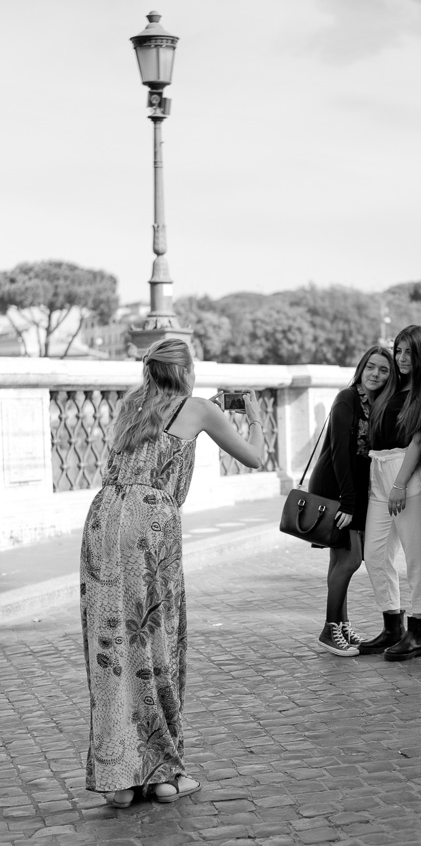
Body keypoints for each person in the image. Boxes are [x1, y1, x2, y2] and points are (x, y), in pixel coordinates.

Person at [80, 338, 264, 807]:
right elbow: (255, 458)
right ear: (186, 371)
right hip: (150, 520)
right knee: (156, 638)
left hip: (103, 515)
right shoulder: (199, 408)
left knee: (112, 644)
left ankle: (119, 777)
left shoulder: (129, 406)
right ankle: (163, 774)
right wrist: (254, 418)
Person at [359, 325, 421, 661]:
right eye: (399, 351)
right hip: (379, 473)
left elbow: (419, 441)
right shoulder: (392, 386)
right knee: (375, 554)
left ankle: (419, 633)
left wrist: (399, 484)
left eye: (409, 352)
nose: (402, 359)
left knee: (417, 556)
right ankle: (393, 625)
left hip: (407, 475)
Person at [309, 346, 394, 656]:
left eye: (383, 370)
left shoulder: (375, 403)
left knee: (338, 560)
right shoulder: (347, 399)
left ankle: (341, 626)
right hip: (338, 488)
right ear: (361, 368)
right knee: (351, 559)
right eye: (371, 367)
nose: (376, 374)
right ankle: (330, 629)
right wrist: (347, 501)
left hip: (353, 490)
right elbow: (342, 453)